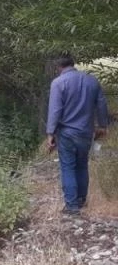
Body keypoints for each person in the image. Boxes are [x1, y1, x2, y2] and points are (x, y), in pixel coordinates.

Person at [46, 54, 109, 215]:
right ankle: (82, 199)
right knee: (82, 165)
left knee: (68, 166)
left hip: (66, 132)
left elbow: (55, 110)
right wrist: (103, 125)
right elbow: (101, 104)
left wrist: (50, 133)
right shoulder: (92, 81)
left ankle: (72, 206)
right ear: (73, 64)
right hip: (86, 132)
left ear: (58, 67)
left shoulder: (58, 83)